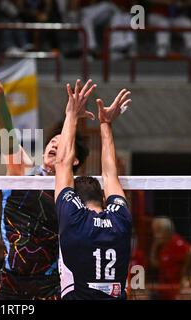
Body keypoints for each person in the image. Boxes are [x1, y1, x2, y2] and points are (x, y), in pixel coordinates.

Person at [0, 65, 89, 299]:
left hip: (51, 284)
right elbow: (6, 135)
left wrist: (73, 118)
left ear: (74, 158)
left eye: (62, 142)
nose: (54, 144)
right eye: (52, 141)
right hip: (12, 282)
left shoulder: (74, 194)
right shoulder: (23, 170)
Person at [55, 79, 133, 299]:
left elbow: (62, 164)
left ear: (75, 200)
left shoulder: (73, 220)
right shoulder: (120, 220)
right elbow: (110, 175)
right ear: (102, 196)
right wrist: (106, 123)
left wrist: (71, 114)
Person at [149, 216, 191, 300]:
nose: (155, 235)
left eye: (158, 231)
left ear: (166, 231)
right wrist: (154, 246)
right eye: (155, 231)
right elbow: (155, 264)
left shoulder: (176, 242)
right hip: (164, 290)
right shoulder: (162, 246)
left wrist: (185, 271)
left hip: (176, 289)